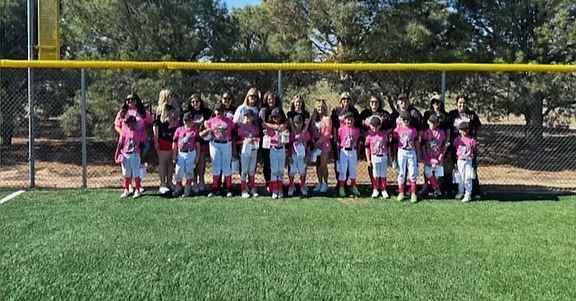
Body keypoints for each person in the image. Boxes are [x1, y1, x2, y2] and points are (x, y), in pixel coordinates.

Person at [114, 93, 153, 193]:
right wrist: (123, 133)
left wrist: (144, 132)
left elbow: (150, 123)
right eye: (128, 100)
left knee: (139, 163)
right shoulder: (122, 112)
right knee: (127, 164)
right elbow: (116, 125)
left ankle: (139, 185)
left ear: (137, 100)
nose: (130, 102)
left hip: (141, 141)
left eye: (132, 100)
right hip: (126, 142)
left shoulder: (143, 112)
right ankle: (129, 186)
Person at [447, 95, 482, 198]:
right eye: (460, 102)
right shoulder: (452, 114)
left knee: (471, 171)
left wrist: (474, 141)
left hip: (468, 147)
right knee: (457, 170)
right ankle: (457, 190)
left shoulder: (471, 115)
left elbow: (477, 128)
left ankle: (473, 191)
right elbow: (448, 129)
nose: (462, 105)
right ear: (456, 103)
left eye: (464, 103)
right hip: (457, 146)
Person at [200, 104, 236, 197]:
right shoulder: (210, 121)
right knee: (216, 166)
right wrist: (206, 130)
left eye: (220, 110)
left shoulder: (229, 121)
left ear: (224, 111)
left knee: (226, 167)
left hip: (226, 144)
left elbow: (234, 133)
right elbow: (203, 133)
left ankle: (228, 187)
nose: (218, 112)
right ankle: (215, 187)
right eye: (217, 110)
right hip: (215, 144)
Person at [359, 95, 394, 189]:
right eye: (372, 102)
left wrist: (385, 133)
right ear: (369, 103)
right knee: (370, 163)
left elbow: (391, 127)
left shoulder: (385, 114)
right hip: (368, 143)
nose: (374, 104)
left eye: (376, 102)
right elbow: (358, 127)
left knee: (381, 165)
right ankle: (373, 183)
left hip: (381, 144)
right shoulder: (364, 114)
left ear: (379, 103)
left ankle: (382, 184)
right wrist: (364, 134)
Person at [330, 92, 361, 189]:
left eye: (347, 99)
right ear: (341, 100)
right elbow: (334, 126)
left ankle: (346, 183)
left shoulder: (354, 111)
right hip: (339, 140)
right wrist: (335, 140)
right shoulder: (336, 111)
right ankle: (339, 183)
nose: (345, 101)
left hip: (350, 141)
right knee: (338, 163)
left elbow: (357, 127)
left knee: (349, 164)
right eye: (343, 99)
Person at [183, 94, 213, 192]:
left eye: (197, 101)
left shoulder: (207, 112)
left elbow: (211, 123)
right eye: (193, 102)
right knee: (192, 162)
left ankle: (202, 181)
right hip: (191, 141)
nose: (195, 103)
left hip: (202, 140)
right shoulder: (187, 113)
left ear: (200, 102)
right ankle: (193, 181)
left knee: (201, 161)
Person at [259, 91, 287, 193]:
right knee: (267, 162)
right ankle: (269, 183)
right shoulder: (263, 111)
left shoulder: (279, 110)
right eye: (269, 99)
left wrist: (283, 126)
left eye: (273, 99)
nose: (271, 101)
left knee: (278, 165)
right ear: (266, 100)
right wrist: (274, 127)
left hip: (278, 141)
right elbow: (262, 124)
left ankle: (278, 185)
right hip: (267, 141)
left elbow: (285, 121)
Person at [153, 89, 180, 194]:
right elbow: (156, 127)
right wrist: (156, 141)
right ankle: (162, 183)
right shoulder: (159, 110)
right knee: (163, 162)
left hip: (173, 140)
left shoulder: (174, 109)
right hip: (163, 139)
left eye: (171, 96)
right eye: (168, 96)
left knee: (171, 162)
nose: (171, 98)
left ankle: (169, 182)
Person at [392, 111, 420, 203]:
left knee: (412, 173)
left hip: (411, 152)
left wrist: (418, 155)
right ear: (401, 120)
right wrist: (394, 157)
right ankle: (401, 192)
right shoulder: (397, 130)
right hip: (401, 151)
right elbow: (395, 144)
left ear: (410, 120)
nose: (406, 121)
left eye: (407, 120)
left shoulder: (413, 130)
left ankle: (413, 193)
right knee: (402, 172)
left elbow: (416, 143)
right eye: (404, 119)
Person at [114, 116, 146, 199]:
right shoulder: (124, 132)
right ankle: (126, 189)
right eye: (128, 123)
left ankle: (137, 189)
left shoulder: (138, 132)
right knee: (126, 173)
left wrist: (142, 156)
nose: (130, 125)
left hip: (135, 154)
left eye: (132, 123)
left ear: (135, 123)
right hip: (125, 154)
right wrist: (117, 154)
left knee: (136, 172)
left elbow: (142, 144)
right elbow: (120, 143)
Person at [172, 112, 200, 197]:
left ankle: (187, 188)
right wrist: (174, 155)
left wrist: (197, 157)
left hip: (190, 153)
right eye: (185, 120)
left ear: (192, 121)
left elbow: (198, 145)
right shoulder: (179, 130)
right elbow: (175, 143)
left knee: (189, 171)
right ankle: (178, 187)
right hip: (181, 153)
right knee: (178, 171)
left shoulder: (194, 131)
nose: (187, 122)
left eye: (189, 120)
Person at [420, 114, 448, 198]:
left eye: (435, 123)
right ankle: (436, 189)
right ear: (428, 122)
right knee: (428, 173)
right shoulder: (426, 133)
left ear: (438, 123)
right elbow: (423, 146)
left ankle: (435, 190)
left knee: (438, 175)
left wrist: (442, 155)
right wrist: (425, 158)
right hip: (429, 157)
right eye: (431, 123)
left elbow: (444, 145)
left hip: (438, 157)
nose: (433, 125)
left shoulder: (441, 133)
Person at [264, 107, 289, 199]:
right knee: (274, 170)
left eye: (278, 117)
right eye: (274, 117)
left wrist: (285, 133)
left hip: (281, 149)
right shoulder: (270, 128)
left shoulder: (284, 127)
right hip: (273, 149)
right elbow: (263, 125)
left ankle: (280, 189)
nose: (276, 119)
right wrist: (269, 130)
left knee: (280, 170)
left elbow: (286, 140)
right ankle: (274, 190)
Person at [309, 99, 332, 193]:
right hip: (316, 145)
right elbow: (311, 131)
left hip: (324, 145)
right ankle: (319, 182)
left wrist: (319, 141)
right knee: (317, 165)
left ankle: (325, 183)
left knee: (323, 165)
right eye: (318, 107)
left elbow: (327, 133)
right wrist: (313, 141)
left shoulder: (327, 118)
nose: (320, 109)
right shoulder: (314, 119)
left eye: (322, 107)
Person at [364, 117, 391, 199]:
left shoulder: (383, 135)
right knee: (375, 173)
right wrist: (368, 159)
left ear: (379, 126)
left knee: (383, 173)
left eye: (376, 126)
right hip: (374, 156)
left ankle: (383, 189)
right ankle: (375, 189)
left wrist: (390, 157)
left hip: (383, 156)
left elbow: (388, 146)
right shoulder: (369, 136)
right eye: (372, 126)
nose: (374, 128)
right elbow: (367, 148)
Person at [337, 111, 361, 197]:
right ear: (344, 120)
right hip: (344, 151)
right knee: (343, 169)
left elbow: (357, 142)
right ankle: (342, 187)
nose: (349, 122)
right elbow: (338, 140)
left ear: (354, 121)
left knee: (352, 169)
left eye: (351, 120)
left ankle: (353, 185)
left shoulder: (356, 130)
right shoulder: (341, 129)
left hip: (352, 151)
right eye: (348, 120)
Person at [236, 109, 260, 198]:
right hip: (244, 151)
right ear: (243, 117)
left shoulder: (255, 128)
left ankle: (252, 188)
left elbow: (258, 139)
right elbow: (236, 141)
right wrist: (244, 141)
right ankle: (243, 189)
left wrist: (254, 140)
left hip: (254, 150)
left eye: (250, 117)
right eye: (246, 117)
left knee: (252, 170)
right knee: (244, 170)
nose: (248, 119)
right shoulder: (241, 128)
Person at [453, 121, 478, 203]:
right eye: (462, 130)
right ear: (459, 130)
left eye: (466, 130)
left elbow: (474, 150)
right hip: (460, 160)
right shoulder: (457, 139)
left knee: (467, 177)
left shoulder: (471, 140)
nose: (464, 131)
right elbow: (455, 148)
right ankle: (460, 191)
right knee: (460, 177)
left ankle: (468, 193)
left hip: (468, 160)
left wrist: (472, 160)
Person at [287, 115, 311, 197]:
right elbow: (289, 145)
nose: (298, 125)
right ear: (294, 124)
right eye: (296, 123)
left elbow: (308, 145)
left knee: (302, 171)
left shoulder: (306, 133)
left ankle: (302, 186)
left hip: (302, 156)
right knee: (292, 171)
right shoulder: (292, 134)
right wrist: (289, 156)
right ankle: (291, 185)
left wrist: (307, 156)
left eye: (300, 123)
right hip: (294, 155)